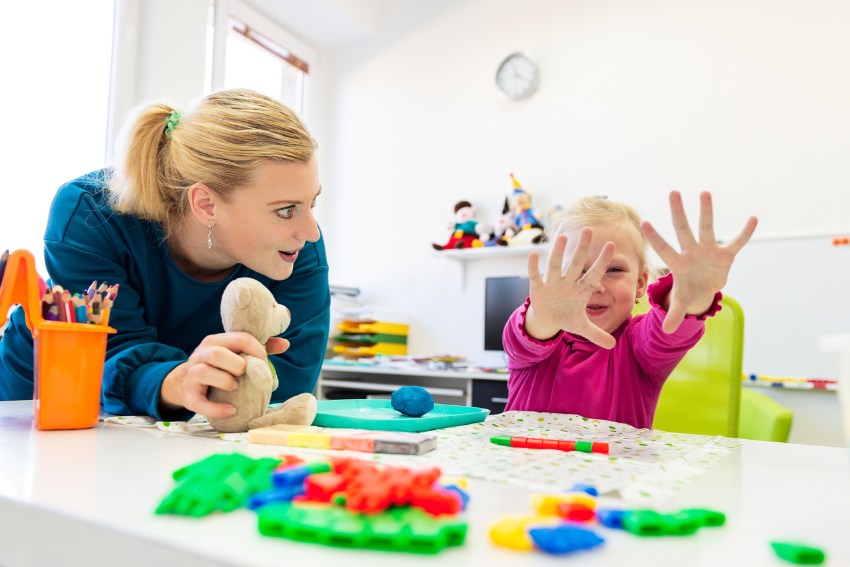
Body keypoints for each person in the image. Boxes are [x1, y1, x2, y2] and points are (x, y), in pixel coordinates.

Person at [0, 88, 330, 422]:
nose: (312, 232)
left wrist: (213, 388)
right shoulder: (89, 216)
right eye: (286, 210)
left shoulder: (296, 249)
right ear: (206, 204)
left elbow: (286, 388)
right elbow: (110, 353)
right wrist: (180, 381)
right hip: (44, 397)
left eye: (311, 202)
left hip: (178, 416)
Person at [502, 191, 757, 429]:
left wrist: (690, 294)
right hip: (526, 475)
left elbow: (668, 330)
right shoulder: (536, 337)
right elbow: (526, 336)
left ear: (640, 283)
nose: (596, 285)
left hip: (616, 476)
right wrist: (544, 316)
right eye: (577, 270)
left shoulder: (639, 345)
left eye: (613, 270)